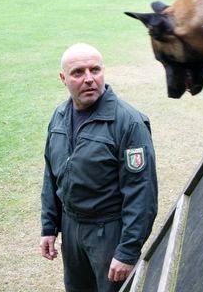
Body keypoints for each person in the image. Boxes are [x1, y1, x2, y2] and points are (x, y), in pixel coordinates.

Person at [40, 43, 158, 292]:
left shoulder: (128, 123)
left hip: (108, 232)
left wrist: (127, 250)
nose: (89, 79)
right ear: (63, 78)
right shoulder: (59, 116)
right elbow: (51, 175)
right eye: (78, 72)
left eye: (95, 70)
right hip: (71, 228)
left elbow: (142, 194)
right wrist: (49, 226)